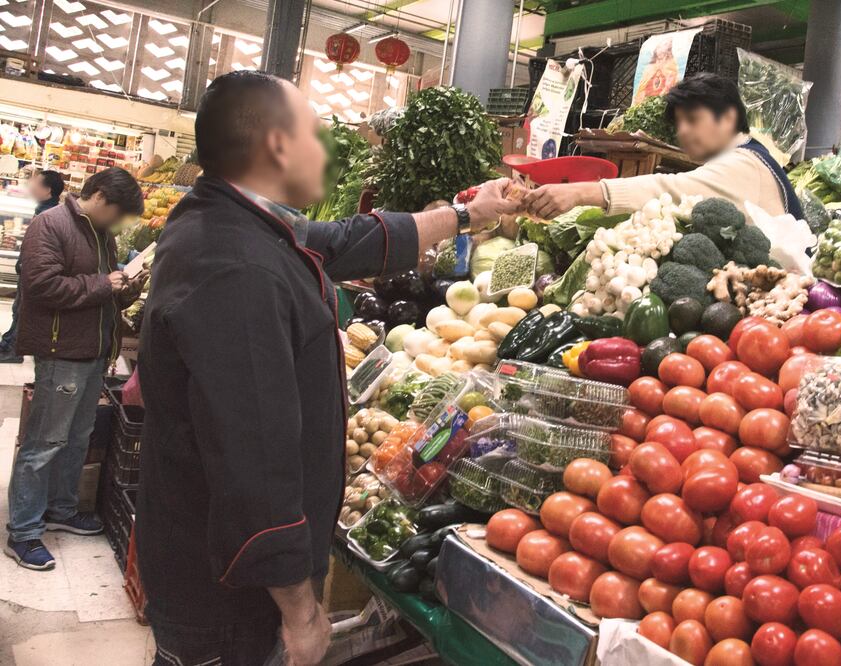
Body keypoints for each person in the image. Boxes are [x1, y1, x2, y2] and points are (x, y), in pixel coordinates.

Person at [136, 70, 516, 666]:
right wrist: (301, 610)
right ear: (277, 147)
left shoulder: (232, 219)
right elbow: (254, 458)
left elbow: (340, 240)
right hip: (228, 594)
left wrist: (468, 214)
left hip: (209, 564)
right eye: (316, 134)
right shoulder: (236, 272)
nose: (330, 151)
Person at [5, 166, 146, 571]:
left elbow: (101, 292)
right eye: (117, 213)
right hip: (60, 352)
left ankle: (61, 510)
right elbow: (43, 286)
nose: (118, 223)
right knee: (45, 441)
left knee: (76, 438)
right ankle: (24, 531)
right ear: (99, 196)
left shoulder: (101, 234)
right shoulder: (50, 225)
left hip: (92, 352)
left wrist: (126, 287)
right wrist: (105, 283)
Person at [522, 73, 804, 221]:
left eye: (692, 120)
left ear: (729, 117)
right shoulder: (749, 156)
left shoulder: (745, 164)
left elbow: (671, 189)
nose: (682, 131)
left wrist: (582, 192)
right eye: (678, 123)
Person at [0, 170, 66, 364]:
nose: (30, 186)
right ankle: (9, 344)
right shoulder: (44, 210)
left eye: (35, 183)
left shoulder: (49, 215)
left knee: (23, 310)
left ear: (47, 190)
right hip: (29, 269)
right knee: (19, 309)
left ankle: (13, 350)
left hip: (33, 272)